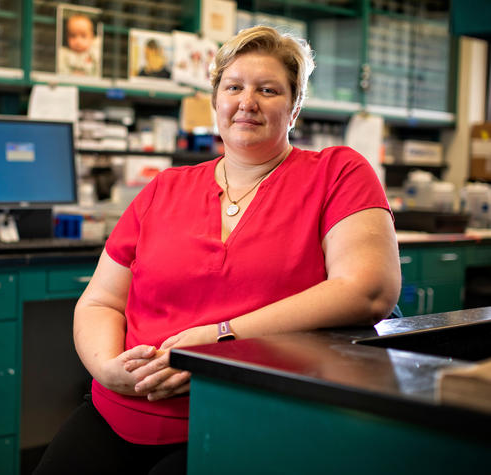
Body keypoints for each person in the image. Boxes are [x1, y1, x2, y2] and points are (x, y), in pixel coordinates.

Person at [34, 25, 401, 475]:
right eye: (234, 87)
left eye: (268, 90)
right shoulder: (164, 189)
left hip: (247, 413)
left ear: (295, 106)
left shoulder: (336, 173)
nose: (247, 102)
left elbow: (368, 290)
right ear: (216, 102)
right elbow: (101, 300)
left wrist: (221, 339)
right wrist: (108, 369)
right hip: (121, 408)